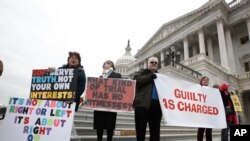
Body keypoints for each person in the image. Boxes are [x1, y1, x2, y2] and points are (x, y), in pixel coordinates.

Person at [50, 51, 86, 139]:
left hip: (70, 102)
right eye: (72, 58)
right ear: (68, 60)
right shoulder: (60, 69)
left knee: (68, 123)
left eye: (76, 58)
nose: (73, 59)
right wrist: (51, 72)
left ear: (79, 61)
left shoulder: (81, 72)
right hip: (57, 102)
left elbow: (81, 88)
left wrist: (71, 98)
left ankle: (72, 138)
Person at [133, 56, 162, 141]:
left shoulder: (160, 77)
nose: (154, 64)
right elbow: (136, 81)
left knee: (155, 131)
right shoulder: (141, 73)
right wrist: (151, 76)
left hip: (156, 106)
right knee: (140, 130)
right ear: (148, 64)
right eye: (152, 62)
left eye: (156, 63)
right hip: (142, 105)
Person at [93, 60, 122, 141]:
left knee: (110, 125)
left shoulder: (117, 75)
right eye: (105, 63)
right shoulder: (100, 77)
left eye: (108, 63)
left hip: (111, 105)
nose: (106, 64)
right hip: (100, 104)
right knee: (99, 125)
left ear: (112, 66)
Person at [197, 76, 212, 141]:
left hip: (209, 112)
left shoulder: (211, 91)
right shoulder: (198, 89)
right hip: (201, 112)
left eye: (207, 80)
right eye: (204, 80)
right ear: (201, 81)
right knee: (201, 129)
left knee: (209, 130)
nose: (206, 81)